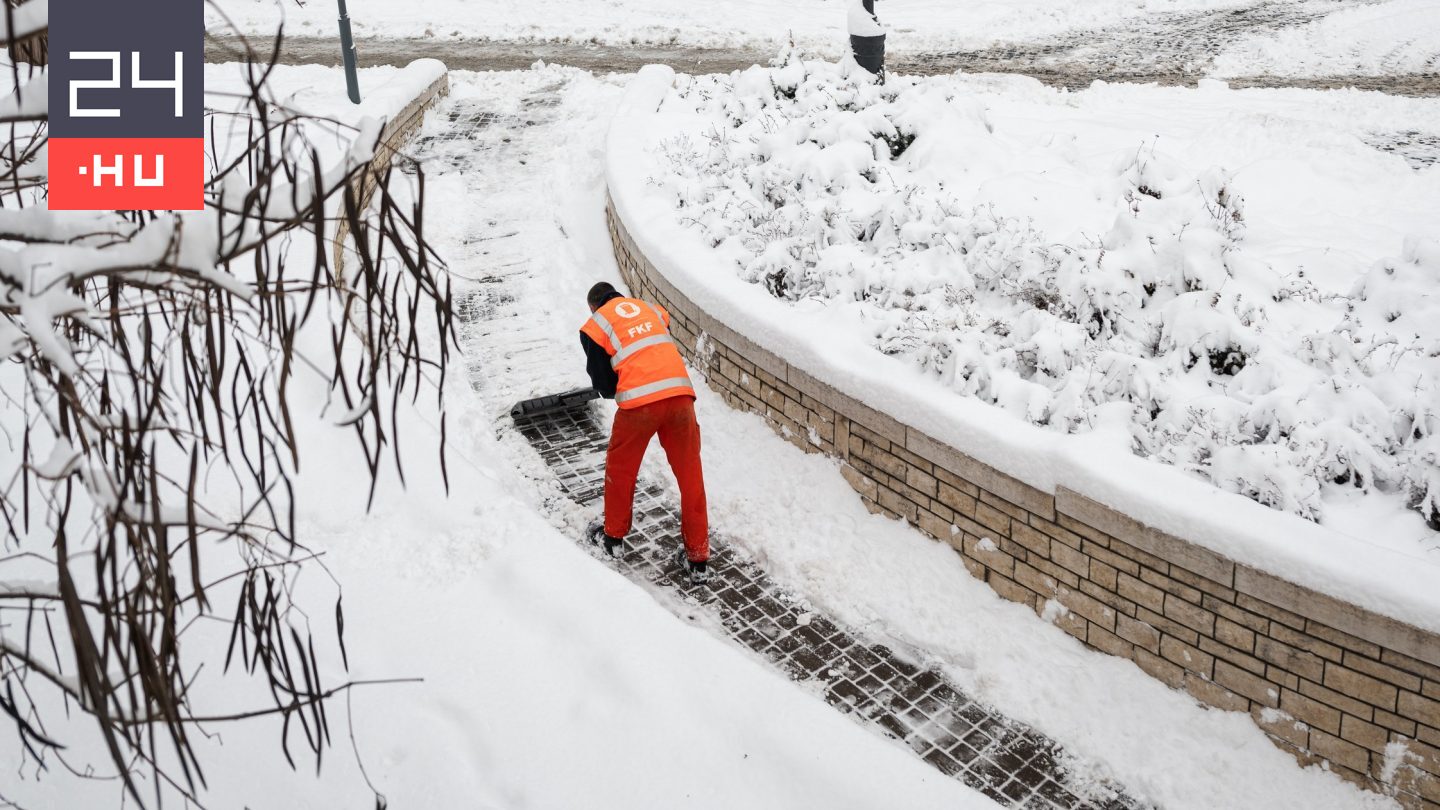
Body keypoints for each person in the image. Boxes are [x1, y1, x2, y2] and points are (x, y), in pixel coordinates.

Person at [580, 281, 711, 585]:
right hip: (680, 396)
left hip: (640, 404)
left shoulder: (596, 324)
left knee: (621, 470)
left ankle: (612, 539)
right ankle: (698, 558)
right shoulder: (651, 310)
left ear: (593, 306)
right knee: (691, 477)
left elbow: (604, 385)